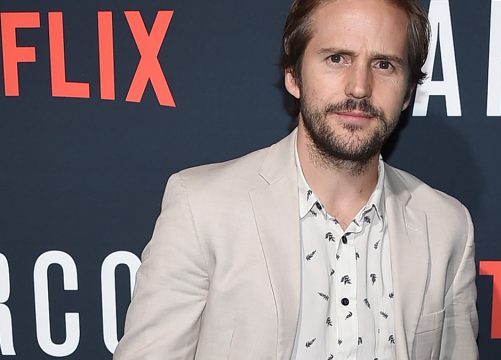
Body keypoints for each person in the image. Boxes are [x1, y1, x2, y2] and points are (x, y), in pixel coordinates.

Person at [113, 0, 478, 359]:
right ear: (293, 76)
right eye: (337, 58)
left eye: (384, 64)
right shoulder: (202, 207)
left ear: (407, 92)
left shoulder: (446, 227)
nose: (359, 87)